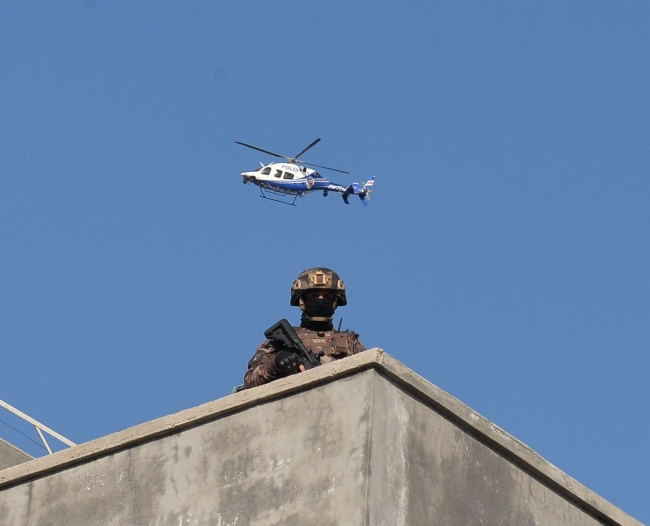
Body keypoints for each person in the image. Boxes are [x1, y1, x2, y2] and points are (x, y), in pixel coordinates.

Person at [243, 268, 366, 389]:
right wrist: (275, 364)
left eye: (327, 296)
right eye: (314, 295)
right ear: (301, 300)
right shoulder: (279, 342)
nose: (320, 300)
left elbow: (371, 379)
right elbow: (249, 381)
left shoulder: (350, 344)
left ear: (335, 302)